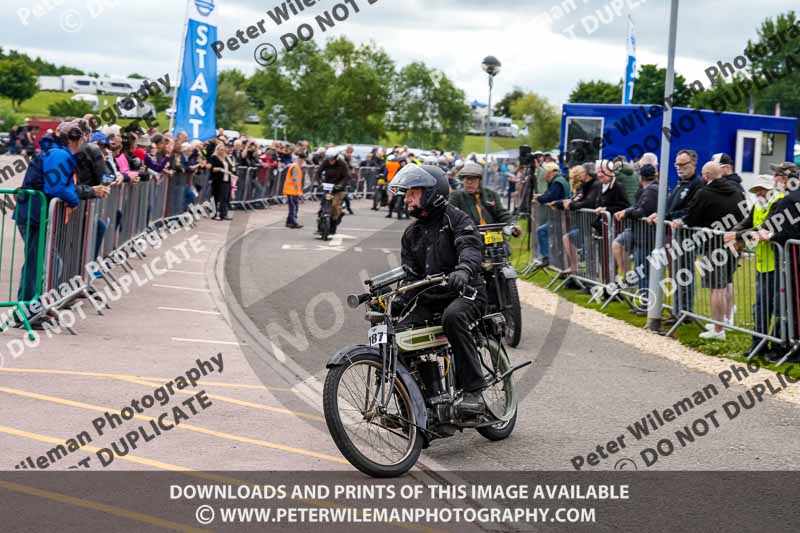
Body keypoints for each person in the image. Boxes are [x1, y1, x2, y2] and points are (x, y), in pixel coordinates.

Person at [390, 164, 489, 412]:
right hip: (431, 297)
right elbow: (410, 273)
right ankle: (414, 406)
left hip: (465, 292)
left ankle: (473, 392)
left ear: (433, 193)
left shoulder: (456, 218)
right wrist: (399, 297)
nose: (407, 198)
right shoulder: (411, 232)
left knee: (453, 318)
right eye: (406, 193)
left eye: (413, 192)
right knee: (397, 334)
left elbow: (470, 247)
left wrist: (464, 270)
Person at [14, 121, 108, 308]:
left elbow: (64, 186)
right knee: (39, 264)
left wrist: (87, 191)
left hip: (36, 214)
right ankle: (27, 308)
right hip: (34, 215)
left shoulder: (59, 153)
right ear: (76, 139)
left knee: (45, 262)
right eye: (82, 138)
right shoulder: (58, 154)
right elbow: (56, 187)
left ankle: (34, 306)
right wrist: (75, 199)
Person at [671, 161, 744, 340]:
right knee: (727, 282)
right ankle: (725, 321)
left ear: (705, 176)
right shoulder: (736, 191)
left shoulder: (705, 192)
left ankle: (718, 329)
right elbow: (745, 215)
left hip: (713, 245)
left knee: (716, 288)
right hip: (732, 242)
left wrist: (682, 222)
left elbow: (692, 217)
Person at [725, 175, 784, 357]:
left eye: (762, 189)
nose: (759, 192)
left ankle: (775, 347)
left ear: (771, 188)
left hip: (777, 262)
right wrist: (734, 232)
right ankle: (758, 345)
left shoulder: (779, 202)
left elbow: (766, 226)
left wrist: (737, 236)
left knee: (777, 308)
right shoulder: (759, 204)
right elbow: (748, 221)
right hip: (763, 263)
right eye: (757, 189)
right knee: (761, 306)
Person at [648, 149, 704, 318]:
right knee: (676, 272)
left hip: (688, 235)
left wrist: (670, 217)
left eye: (683, 164)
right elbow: (671, 206)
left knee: (684, 273)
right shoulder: (680, 183)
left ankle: (684, 313)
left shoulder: (697, 185)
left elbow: (690, 210)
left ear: (693, 164)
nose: (679, 168)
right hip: (675, 234)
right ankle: (677, 310)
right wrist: (660, 214)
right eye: (677, 164)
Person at [613, 164, 659, 300]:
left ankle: (645, 302)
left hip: (646, 235)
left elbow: (642, 211)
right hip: (638, 232)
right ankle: (629, 279)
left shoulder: (651, 190)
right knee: (618, 244)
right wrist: (627, 211)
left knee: (643, 270)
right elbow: (638, 207)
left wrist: (627, 212)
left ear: (641, 176)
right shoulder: (645, 189)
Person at [448, 162, 521, 234]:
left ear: (479, 181)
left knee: (503, 246)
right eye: (467, 179)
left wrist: (512, 225)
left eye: (473, 179)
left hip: (493, 234)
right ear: (463, 180)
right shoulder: (456, 196)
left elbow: (501, 213)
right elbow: (450, 216)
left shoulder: (492, 194)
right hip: (468, 236)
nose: (469, 182)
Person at [533, 162, 571, 267]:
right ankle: (557, 262)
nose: (544, 176)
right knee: (557, 240)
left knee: (543, 232)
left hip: (560, 217)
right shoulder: (559, 180)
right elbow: (548, 194)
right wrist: (542, 197)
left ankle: (548, 259)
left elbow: (550, 197)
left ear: (549, 172)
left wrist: (538, 198)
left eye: (545, 173)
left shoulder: (557, 182)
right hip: (559, 216)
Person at [316, 148, 350, 234]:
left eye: (332, 159)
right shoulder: (325, 162)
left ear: (336, 157)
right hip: (328, 187)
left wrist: (340, 185)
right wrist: (320, 182)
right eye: (329, 159)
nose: (331, 161)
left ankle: (334, 223)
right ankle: (320, 225)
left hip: (338, 189)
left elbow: (347, 176)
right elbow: (318, 172)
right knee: (324, 204)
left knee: (334, 205)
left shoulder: (342, 164)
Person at [208, 142, 235, 221]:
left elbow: (231, 167)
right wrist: (219, 169)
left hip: (226, 179)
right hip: (217, 179)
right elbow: (212, 168)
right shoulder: (214, 157)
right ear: (217, 149)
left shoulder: (226, 158)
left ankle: (224, 214)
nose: (222, 151)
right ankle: (214, 214)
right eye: (220, 150)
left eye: (223, 150)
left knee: (225, 197)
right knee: (216, 197)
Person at [284, 151, 305, 229]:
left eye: (302, 160)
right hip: (291, 191)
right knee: (293, 207)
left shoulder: (296, 167)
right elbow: (295, 180)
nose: (302, 161)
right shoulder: (295, 167)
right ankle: (293, 222)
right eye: (301, 160)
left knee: (294, 206)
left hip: (293, 191)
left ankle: (289, 221)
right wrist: (299, 191)